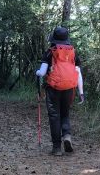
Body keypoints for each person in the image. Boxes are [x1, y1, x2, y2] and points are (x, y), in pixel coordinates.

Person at [36, 26, 85, 156]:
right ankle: (67, 136)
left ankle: (57, 148)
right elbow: (78, 73)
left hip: (53, 88)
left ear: (54, 38)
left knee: (54, 116)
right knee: (65, 114)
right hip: (69, 88)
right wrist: (81, 92)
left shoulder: (50, 51)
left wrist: (37, 72)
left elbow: (42, 72)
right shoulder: (73, 53)